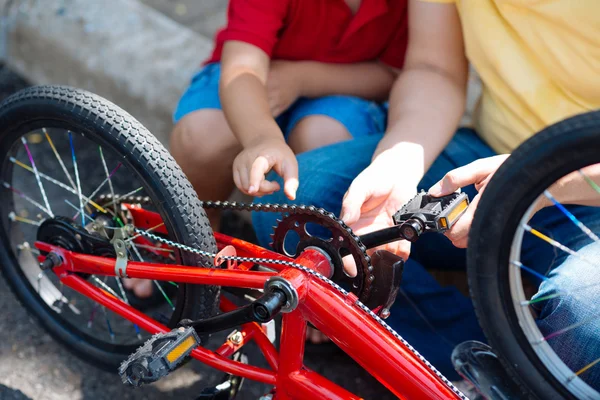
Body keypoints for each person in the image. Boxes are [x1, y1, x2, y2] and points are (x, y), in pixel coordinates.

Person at [253, 0, 600, 381]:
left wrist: (536, 177)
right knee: (289, 199)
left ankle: (518, 371)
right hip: (488, 154)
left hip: (588, 190)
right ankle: (469, 366)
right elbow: (434, 68)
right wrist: (398, 160)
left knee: (585, 317)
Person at [125, 0, 409, 298]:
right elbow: (242, 67)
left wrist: (302, 79)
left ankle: (313, 271)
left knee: (325, 141)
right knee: (202, 137)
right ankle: (190, 234)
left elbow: (393, 74)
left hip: (345, 88)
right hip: (255, 76)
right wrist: (262, 138)